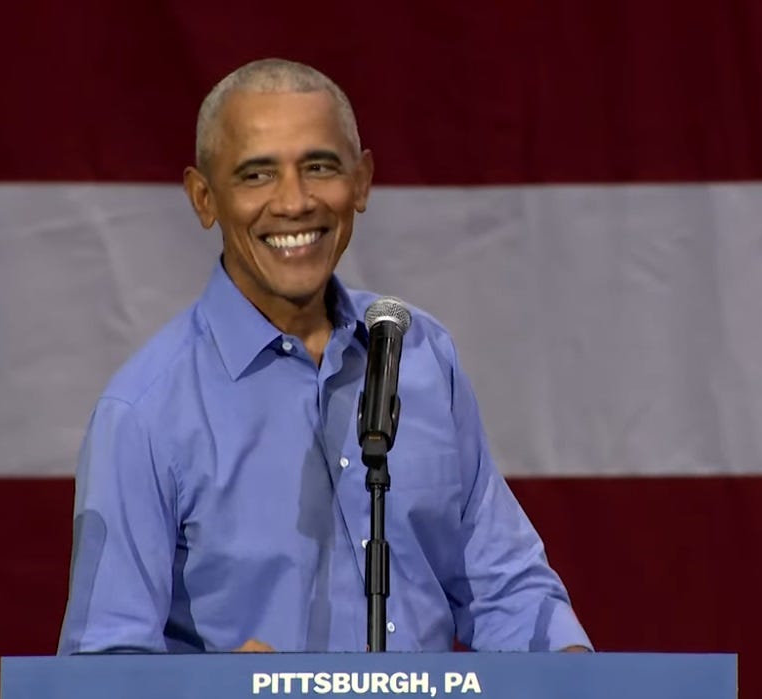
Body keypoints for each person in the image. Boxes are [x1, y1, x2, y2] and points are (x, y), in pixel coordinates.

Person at [57, 58, 591, 654]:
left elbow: (506, 589)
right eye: (257, 175)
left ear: (361, 182)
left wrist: (573, 671)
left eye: (319, 167)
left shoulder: (419, 354)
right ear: (204, 198)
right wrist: (212, 695)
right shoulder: (144, 412)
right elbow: (102, 665)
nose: (294, 202)